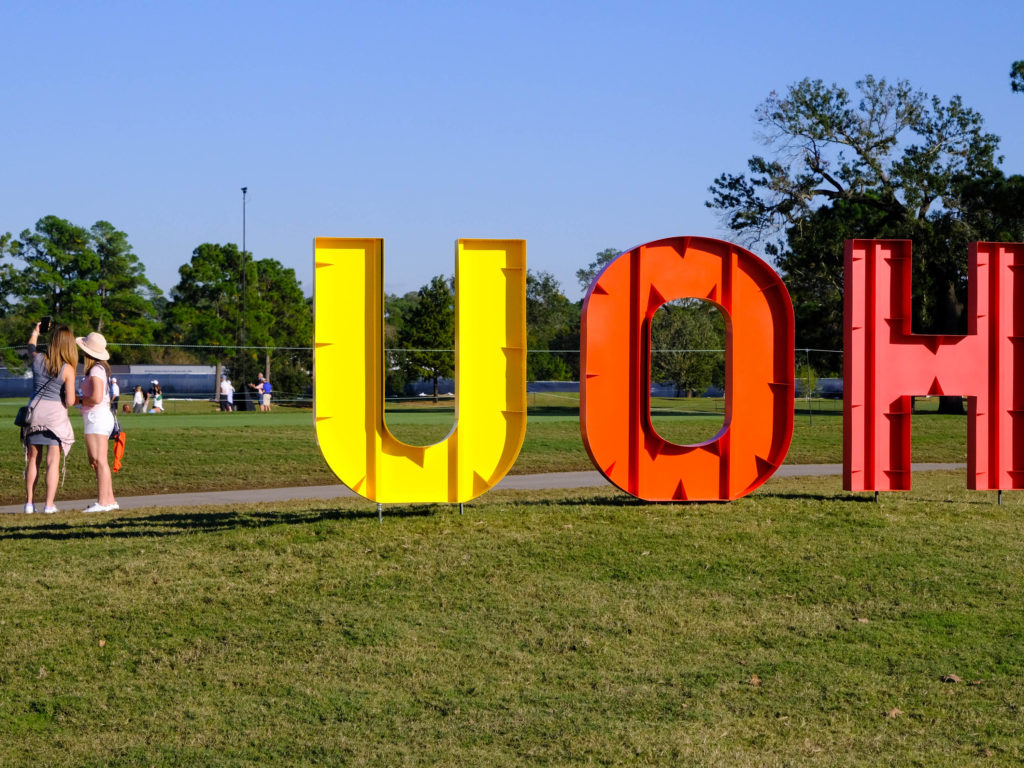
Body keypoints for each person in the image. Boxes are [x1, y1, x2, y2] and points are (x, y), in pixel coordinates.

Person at [22, 322, 77, 514]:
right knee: (53, 462)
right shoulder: (68, 368)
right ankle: (49, 504)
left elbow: (31, 348)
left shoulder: (38, 360)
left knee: (33, 460)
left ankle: (29, 503)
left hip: (34, 413)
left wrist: (36, 332)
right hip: (54, 416)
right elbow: (70, 401)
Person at [76, 331, 119, 513]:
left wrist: (78, 400)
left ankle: (103, 501)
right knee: (100, 460)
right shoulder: (100, 369)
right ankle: (109, 500)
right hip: (99, 416)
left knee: (99, 460)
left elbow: (95, 397)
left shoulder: (95, 370)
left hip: (96, 416)